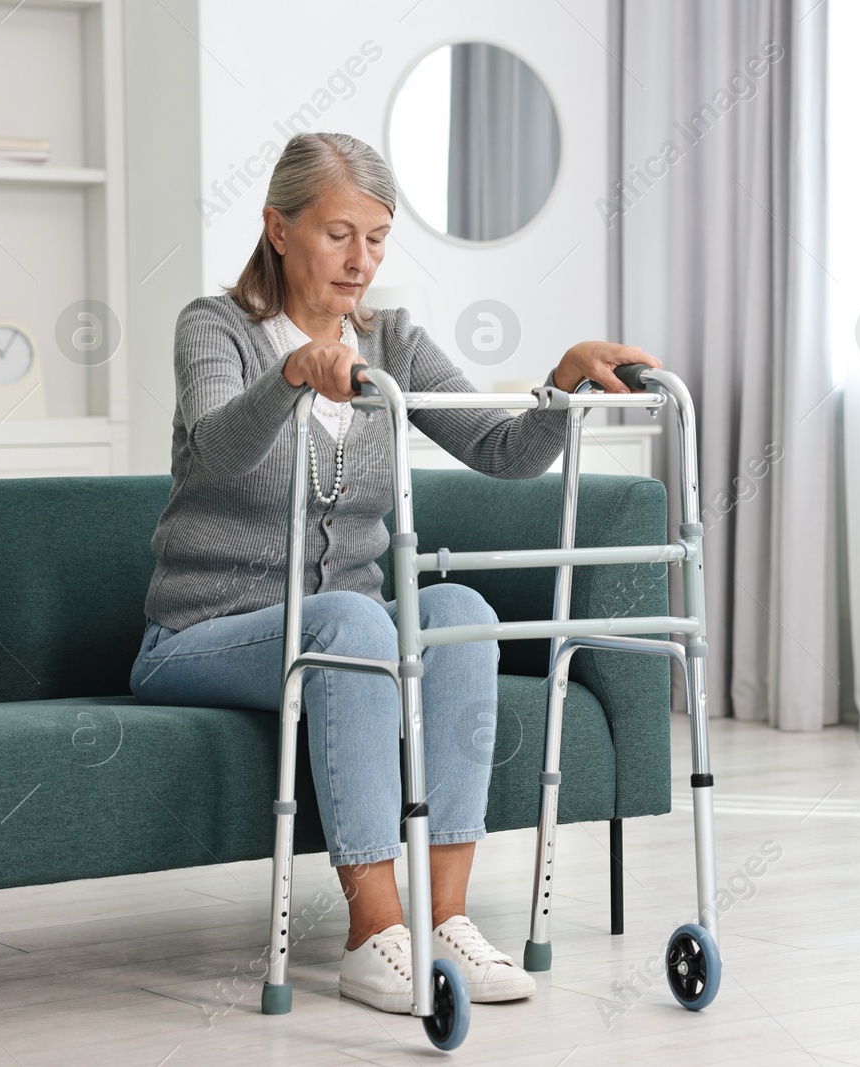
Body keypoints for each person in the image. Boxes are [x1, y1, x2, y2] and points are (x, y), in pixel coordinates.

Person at [129, 131, 660, 1013]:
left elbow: (501, 451)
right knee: (353, 619)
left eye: (376, 237)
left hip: (345, 632)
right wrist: (294, 376)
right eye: (339, 233)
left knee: (457, 608)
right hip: (199, 638)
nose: (361, 260)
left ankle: (442, 919)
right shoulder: (213, 328)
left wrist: (562, 385)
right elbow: (219, 450)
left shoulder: (394, 339)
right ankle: (376, 932)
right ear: (279, 228)